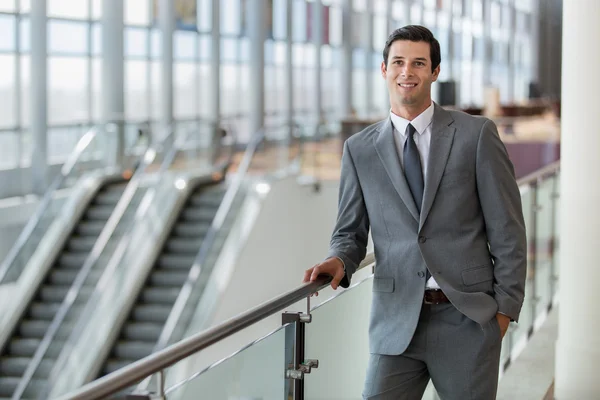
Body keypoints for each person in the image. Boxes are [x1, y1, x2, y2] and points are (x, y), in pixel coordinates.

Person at [303, 25, 526, 400]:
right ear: (384, 69)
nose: (407, 71)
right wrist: (338, 260)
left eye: (419, 63)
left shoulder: (476, 135)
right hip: (395, 322)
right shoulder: (359, 149)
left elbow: (508, 229)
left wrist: (503, 311)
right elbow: (350, 231)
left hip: (467, 319)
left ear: (435, 72)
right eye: (399, 62)